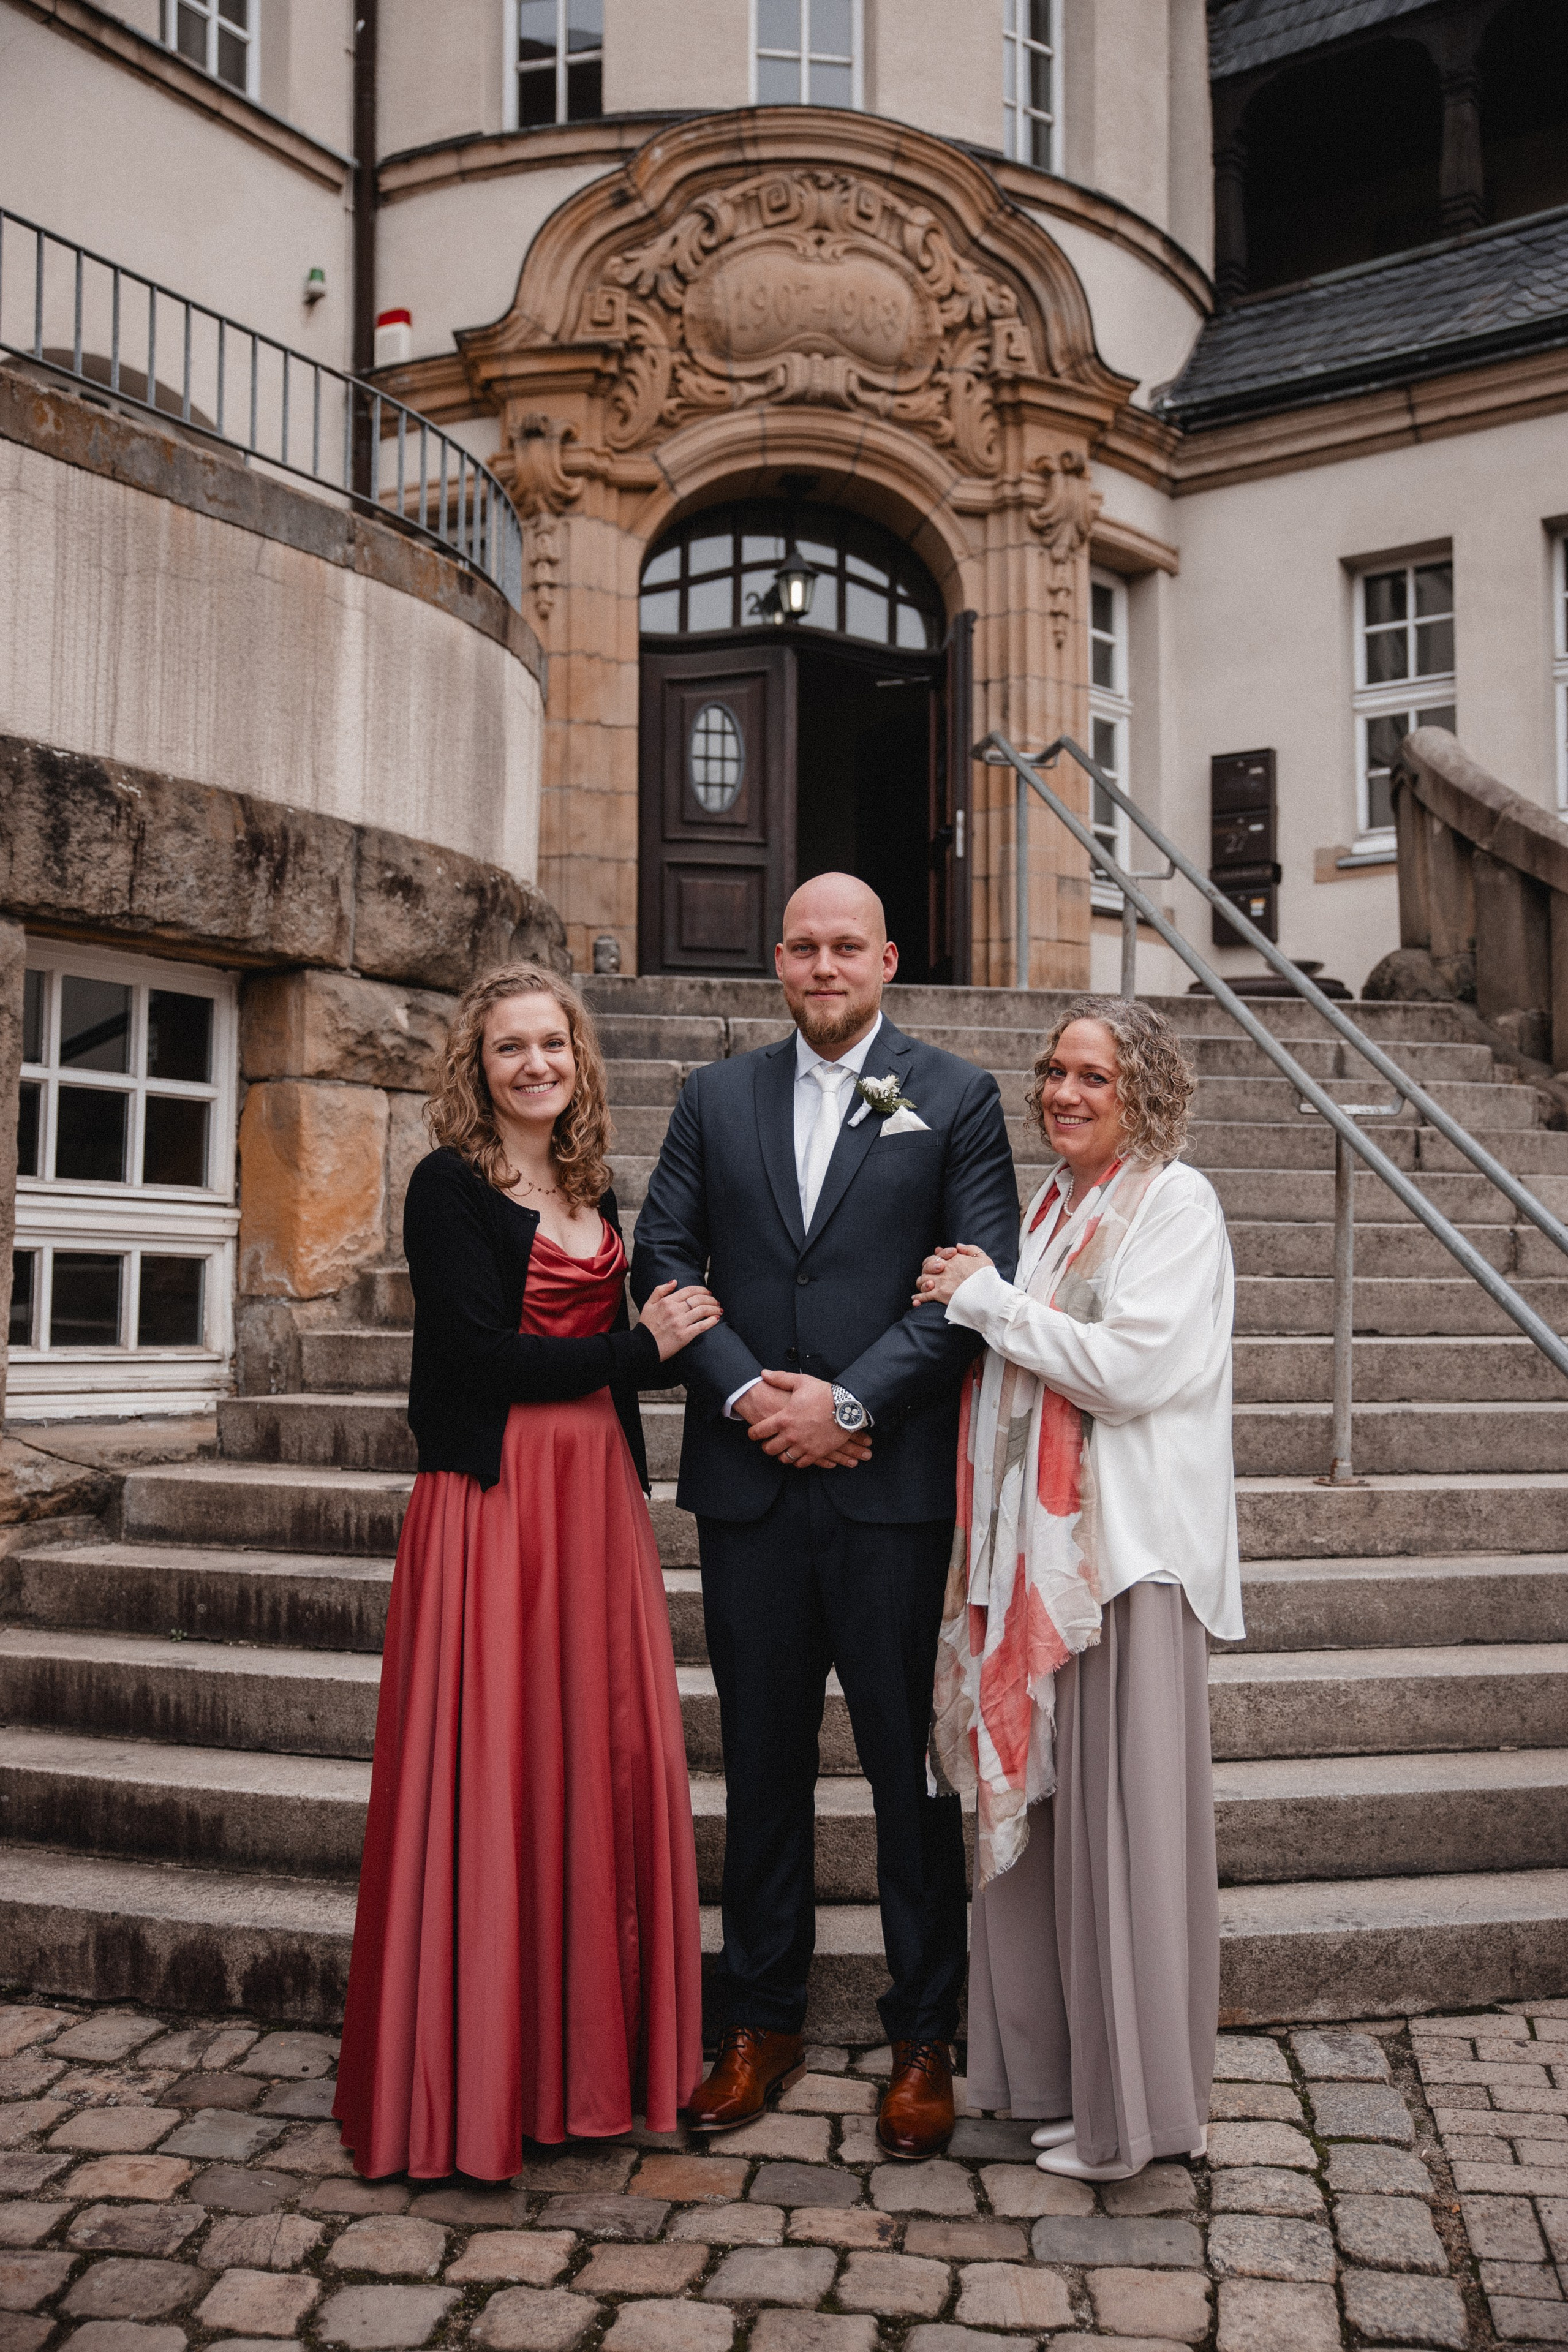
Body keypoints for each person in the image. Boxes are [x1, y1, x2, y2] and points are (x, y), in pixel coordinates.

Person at [631, 874, 1019, 2160]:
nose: (821, 963)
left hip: (886, 1489)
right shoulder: (712, 1096)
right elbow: (665, 1265)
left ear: (887, 957)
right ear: (779, 962)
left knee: (909, 1771)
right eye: (801, 945)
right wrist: (750, 1395)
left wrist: (848, 1406)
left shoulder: (953, 1098)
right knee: (762, 1762)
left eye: (845, 943)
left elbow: (972, 1287)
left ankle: (922, 2035)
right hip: (749, 1485)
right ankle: (761, 2021)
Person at [333, 962, 718, 2178]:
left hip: (591, 1503)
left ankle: (586, 2068)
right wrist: (641, 1347)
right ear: (477, 1066)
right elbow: (481, 1355)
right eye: (510, 1049)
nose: (534, 1065)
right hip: (494, 1502)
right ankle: (476, 2076)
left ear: (576, 1059)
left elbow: (633, 1345)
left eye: (551, 1044)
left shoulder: (591, 1183)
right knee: (493, 1764)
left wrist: (674, 1345)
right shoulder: (447, 1185)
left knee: (588, 1761)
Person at [921, 996, 1240, 2184]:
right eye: (1053, 1071)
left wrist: (987, 1300)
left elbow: (1127, 1369)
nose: (1061, 1093)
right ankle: (1057, 2082)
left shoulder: (1174, 1203)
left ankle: (1138, 2117)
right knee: (1054, 1835)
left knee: (1126, 1841)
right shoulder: (1055, 1205)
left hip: (1126, 1560)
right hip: (1047, 1560)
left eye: (1091, 1077)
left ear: (1141, 1090)